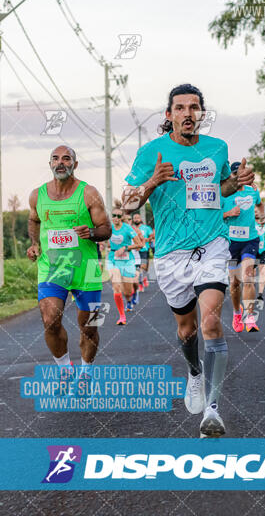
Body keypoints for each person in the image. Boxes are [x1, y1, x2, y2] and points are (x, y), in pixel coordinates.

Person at [122, 83, 255, 437]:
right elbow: (128, 203)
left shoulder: (217, 148)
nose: (187, 114)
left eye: (194, 108)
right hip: (170, 252)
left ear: (201, 114)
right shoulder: (152, 152)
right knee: (187, 329)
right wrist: (152, 181)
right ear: (169, 116)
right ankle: (194, 372)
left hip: (211, 243)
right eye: (180, 108)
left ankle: (212, 410)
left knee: (211, 321)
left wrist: (237, 182)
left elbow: (221, 187)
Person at [26, 146, 111, 387]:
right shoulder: (37, 195)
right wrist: (34, 244)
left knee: (91, 326)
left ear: (75, 163)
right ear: (50, 163)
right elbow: (33, 220)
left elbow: (106, 230)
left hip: (88, 268)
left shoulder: (89, 193)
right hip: (53, 268)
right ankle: (65, 368)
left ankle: (86, 371)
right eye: (55, 158)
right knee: (50, 319)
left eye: (66, 158)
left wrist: (92, 232)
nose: (60, 162)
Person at [222, 162, 264, 333]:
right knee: (234, 283)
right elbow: (213, 215)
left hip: (250, 240)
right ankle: (237, 312)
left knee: (248, 276)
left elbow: (260, 204)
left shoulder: (253, 190)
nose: (239, 178)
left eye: (241, 175)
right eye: (235, 175)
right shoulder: (224, 195)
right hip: (231, 243)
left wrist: (261, 215)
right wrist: (228, 214)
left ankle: (250, 316)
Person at [107, 206, 144, 324]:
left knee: (127, 292)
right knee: (116, 286)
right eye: (114, 216)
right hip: (112, 259)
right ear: (111, 217)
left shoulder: (128, 228)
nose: (116, 218)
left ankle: (130, 297)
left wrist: (125, 247)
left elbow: (140, 244)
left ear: (122, 217)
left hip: (127, 260)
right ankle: (122, 316)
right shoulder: (108, 228)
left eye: (118, 216)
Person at [132, 213, 154, 290]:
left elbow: (152, 236)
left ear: (140, 219)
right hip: (135, 251)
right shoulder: (131, 228)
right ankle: (140, 283)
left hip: (144, 250)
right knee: (138, 267)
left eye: (137, 218)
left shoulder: (146, 228)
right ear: (133, 220)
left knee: (144, 267)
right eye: (134, 218)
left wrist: (146, 240)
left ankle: (143, 278)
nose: (136, 219)